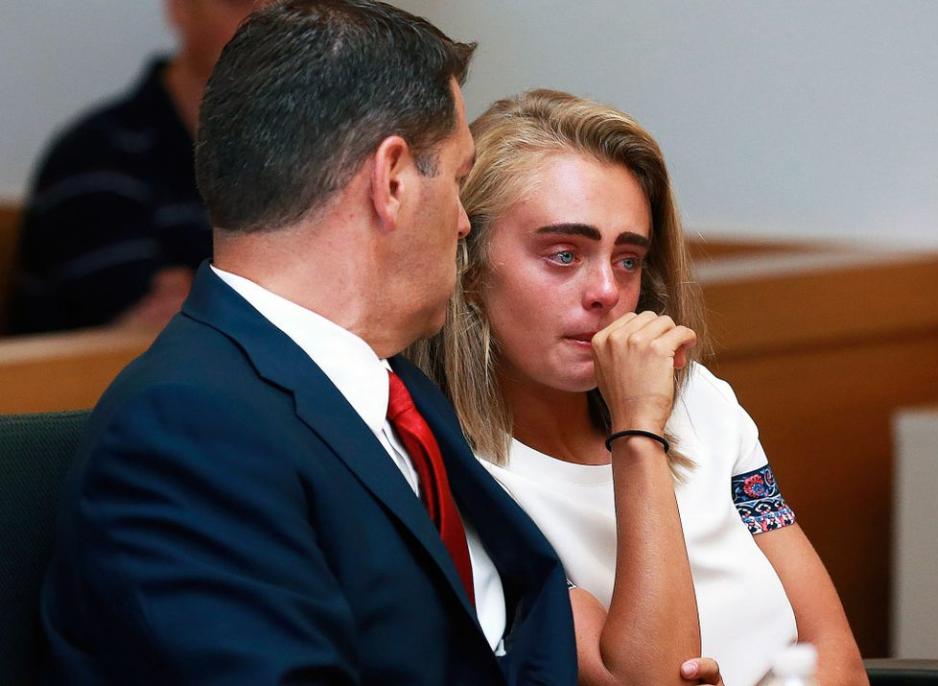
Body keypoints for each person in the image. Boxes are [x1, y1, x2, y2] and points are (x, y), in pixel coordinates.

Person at [38, 3, 583, 684]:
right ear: (391, 182)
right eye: (458, 178)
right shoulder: (187, 431)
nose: (464, 222)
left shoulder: (396, 388)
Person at [413, 90, 868, 686]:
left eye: (627, 260)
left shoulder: (700, 401)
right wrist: (637, 432)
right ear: (468, 266)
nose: (605, 290)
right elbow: (645, 679)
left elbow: (833, 650)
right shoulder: (453, 473)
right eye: (562, 254)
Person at [7, 1, 260, 334]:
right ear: (181, 8)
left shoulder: (312, 153)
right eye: (239, 3)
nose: (267, 19)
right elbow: (146, 332)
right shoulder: (93, 157)